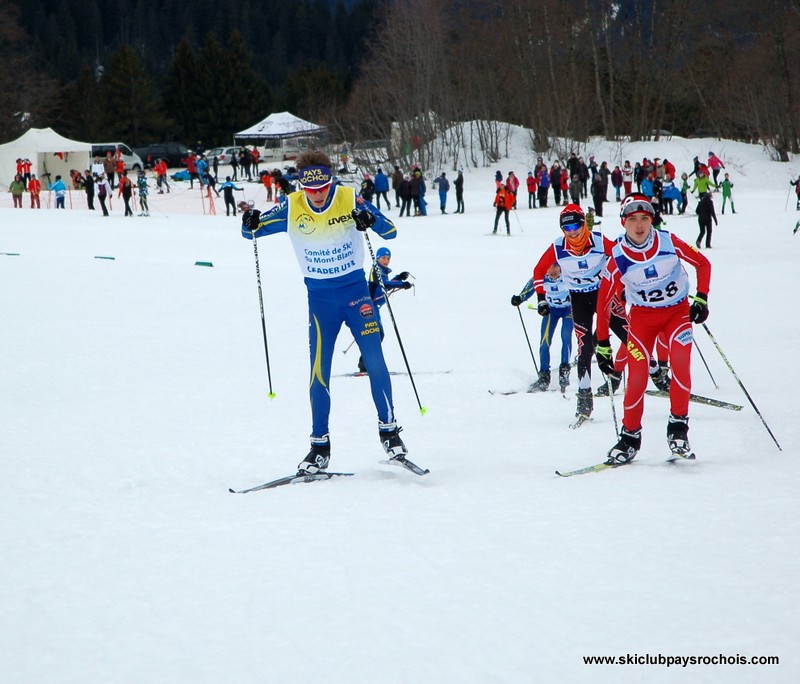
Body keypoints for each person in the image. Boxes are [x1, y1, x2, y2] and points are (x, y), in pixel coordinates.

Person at [241, 150, 411, 475]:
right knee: (318, 371)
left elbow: (390, 231)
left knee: (375, 361)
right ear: (302, 186)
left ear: (331, 181)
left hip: (357, 295)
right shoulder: (293, 206)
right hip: (320, 303)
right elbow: (251, 231)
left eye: (322, 188)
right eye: (311, 189)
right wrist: (249, 222)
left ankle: (389, 431)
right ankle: (320, 445)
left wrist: (369, 220)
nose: (317, 195)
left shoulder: (349, 198)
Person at [595, 193, 711, 463]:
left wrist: (701, 298)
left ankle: (678, 428)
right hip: (642, 323)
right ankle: (630, 437)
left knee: (680, 362)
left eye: (644, 218)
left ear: (652, 220)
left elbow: (703, 264)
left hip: (677, 314)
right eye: (633, 219)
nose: (639, 225)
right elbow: (603, 302)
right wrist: (602, 344)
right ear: (623, 223)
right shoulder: (618, 256)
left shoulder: (668, 241)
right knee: (636, 379)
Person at [530, 204, 627, 421]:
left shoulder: (600, 241)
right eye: (567, 227)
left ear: (584, 223)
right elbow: (538, 271)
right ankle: (584, 399)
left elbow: (622, 260)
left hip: (604, 296)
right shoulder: (558, 247)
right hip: (579, 300)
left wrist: (624, 287)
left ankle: (644, 373)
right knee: (584, 350)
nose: (572, 231)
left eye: (576, 225)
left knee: (631, 338)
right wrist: (541, 298)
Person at [510, 263, 573, 393]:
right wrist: (519, 298)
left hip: (569, 310)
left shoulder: (568, 274)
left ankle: (564, 371)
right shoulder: (542, 276)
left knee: (566, 336)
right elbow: (531, 286)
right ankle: (544, 376)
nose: (551, 272)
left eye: (554, 268)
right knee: (544, 343)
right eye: (548, 268)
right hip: (551, 310)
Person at [357, 246, 413, 373]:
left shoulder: (382, 271)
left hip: (375, 307)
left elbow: (387, 284)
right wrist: (401, 284)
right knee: (376, 334)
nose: (386, 260)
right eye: (383, 258)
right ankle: (365, 364)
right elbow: (384, 284)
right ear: (377, 258)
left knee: (377, 334)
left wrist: (399, 277)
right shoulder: (376, 270)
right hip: (370, 307)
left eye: (388, 258)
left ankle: (365, 363)